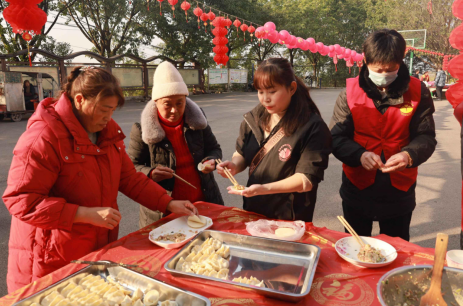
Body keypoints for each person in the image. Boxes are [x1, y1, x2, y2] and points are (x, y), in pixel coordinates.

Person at [2, 66, 197, 293]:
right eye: (104, 110)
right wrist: (83, 214)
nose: (109, 118)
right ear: (79, 100)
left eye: (113, 110)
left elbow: (129, 178)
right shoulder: (43, 138)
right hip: (50, 255)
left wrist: (168, 203)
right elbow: (21, 200)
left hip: (94, 246)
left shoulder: (107, 132)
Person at [329, 29, 437, 241]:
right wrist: (359, 154)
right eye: (378, 69)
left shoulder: (418, 91)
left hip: (399, 187)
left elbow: (426, 137)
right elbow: (336, 137)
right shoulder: (349, 93)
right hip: (357, 185)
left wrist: (408, 156)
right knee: (356, 246)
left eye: (391, 69)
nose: (384, 75)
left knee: (396, 248)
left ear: (401, 60)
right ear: (365, 59)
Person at [217, 58, 332, 222]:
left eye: (272, 92)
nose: (265, 99)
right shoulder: (254, 118)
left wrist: (263, 189)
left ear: (291, 88)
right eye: (260, 91)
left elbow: (305, 180)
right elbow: (242, 152)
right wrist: (234, 165)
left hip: (290, 214)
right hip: (254, 208)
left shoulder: (312, 127)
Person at [129, 62, 223, 229]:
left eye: (179, 103)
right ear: (156, 102)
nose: (174, 110)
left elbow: (214, 149)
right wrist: (150, 173)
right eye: (167, 104)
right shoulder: (142, 130)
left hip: (204, 201)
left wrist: (211, 160)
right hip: (163, 210)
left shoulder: (197, 122)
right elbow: (130, 168)